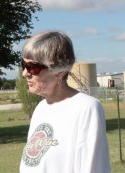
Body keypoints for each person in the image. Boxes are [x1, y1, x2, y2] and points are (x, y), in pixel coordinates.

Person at [19, 31, 111, 173]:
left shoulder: (86, 108)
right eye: (23, 64)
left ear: (59, 72)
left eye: (33, 67)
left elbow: (93, 167)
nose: (25, 73)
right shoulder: (41, 108)